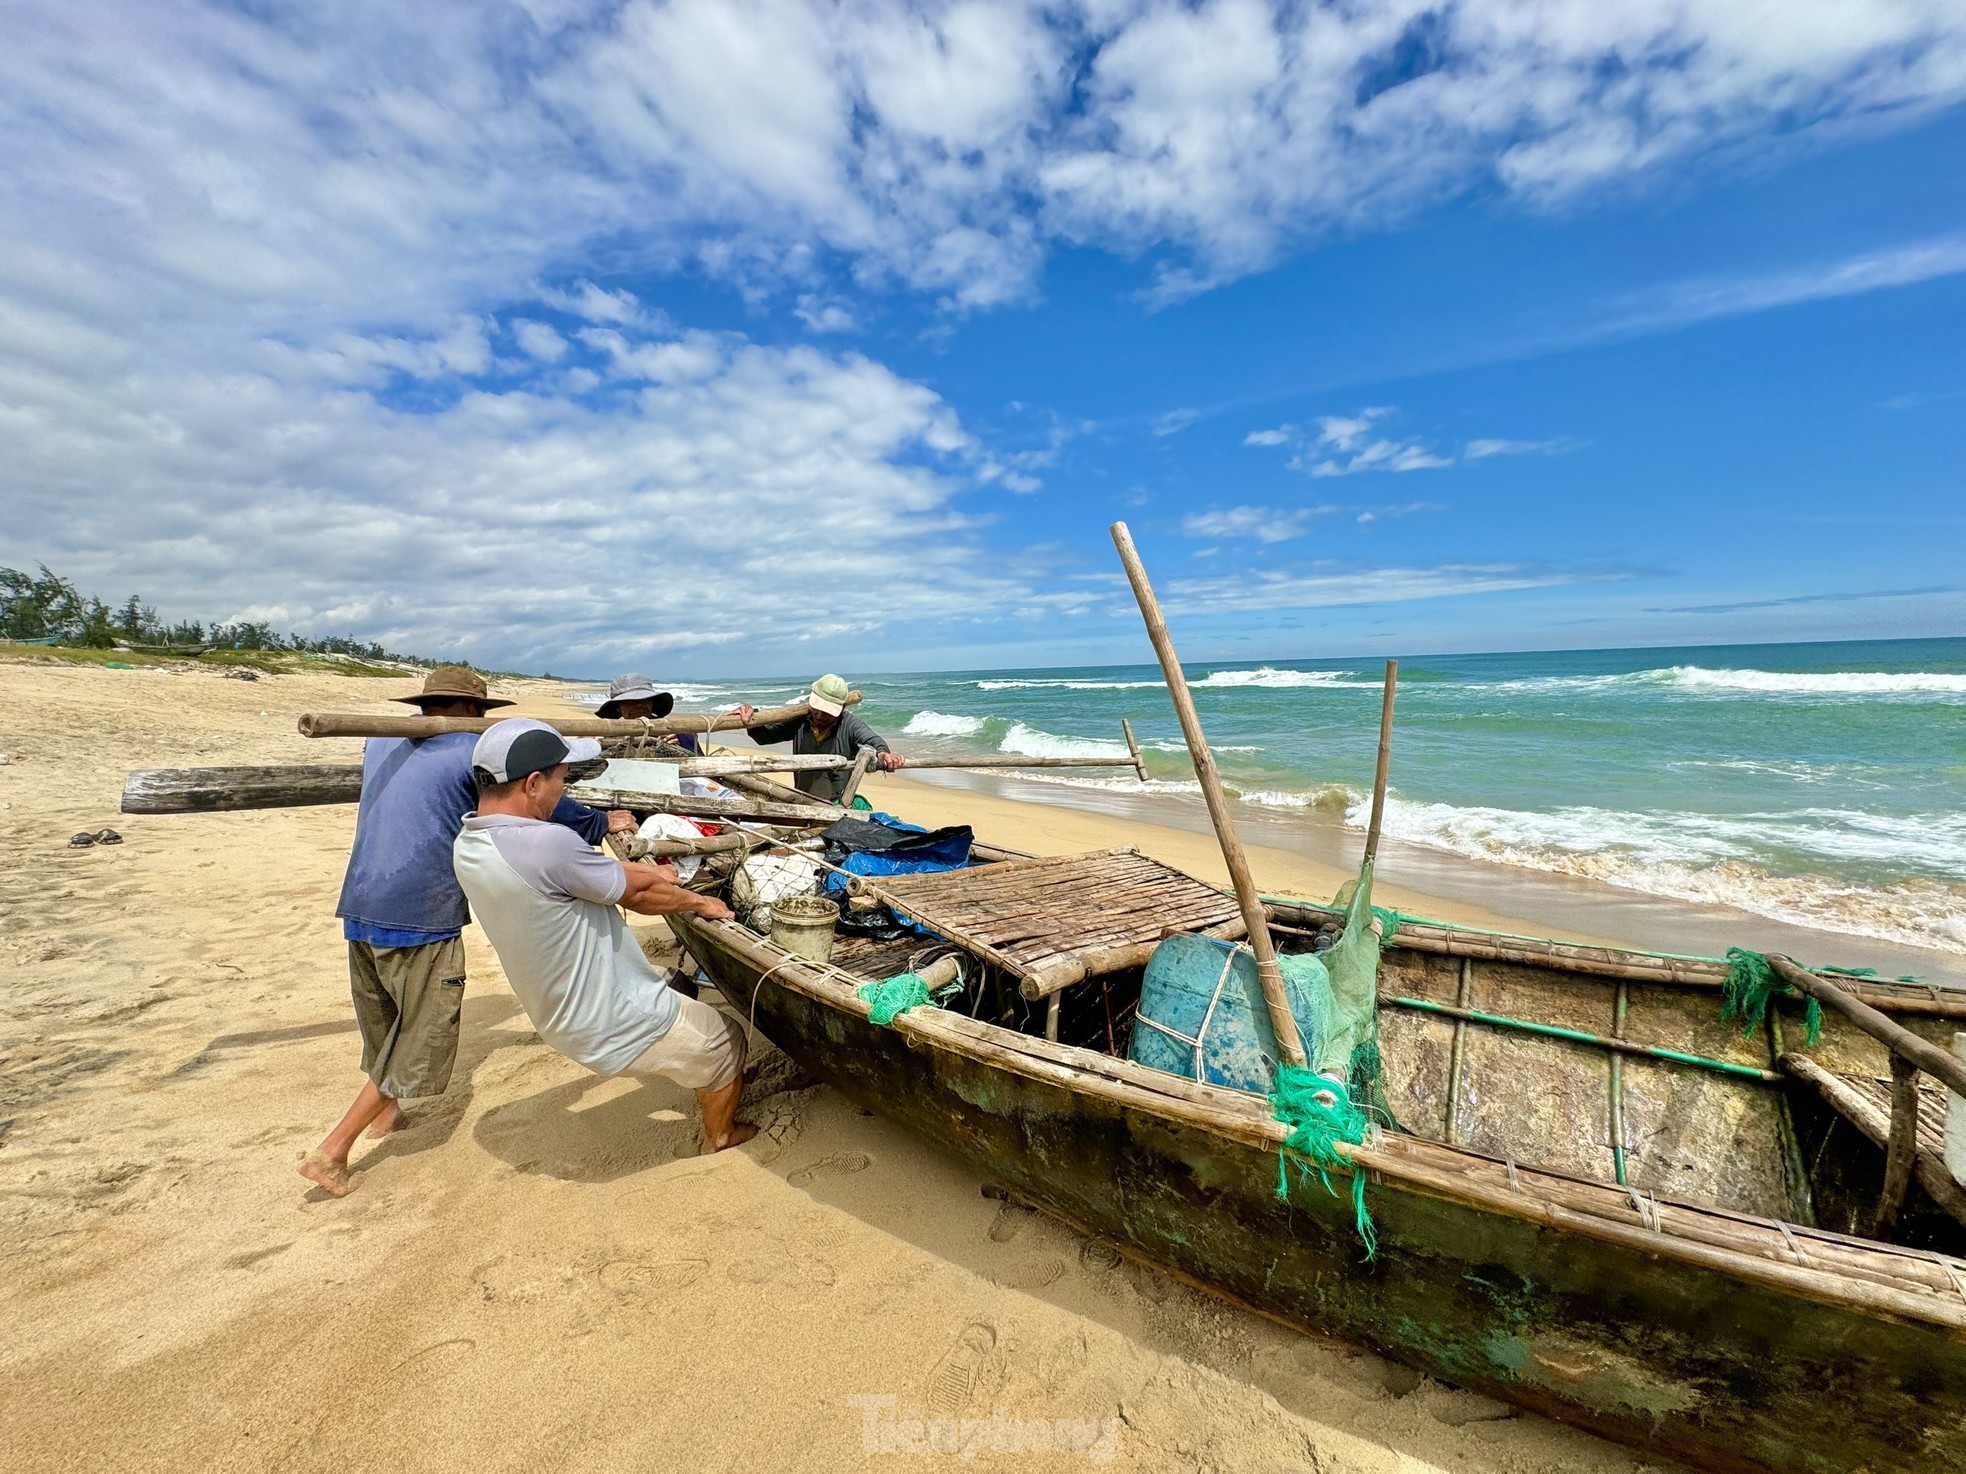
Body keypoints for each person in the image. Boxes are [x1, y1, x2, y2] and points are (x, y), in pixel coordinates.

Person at [298, 667, 636, 1198]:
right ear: (468, 712)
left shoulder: (380, 740)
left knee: (385, 1018)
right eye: (478, 715)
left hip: (362, 897)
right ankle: (333, 1150)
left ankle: (386, 1116)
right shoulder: (467, 752)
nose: (480, 724)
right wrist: (599, 823)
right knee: (419, 1033)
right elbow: (532, 800)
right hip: (419, 909)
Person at [451, 719, 756, 1153]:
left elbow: (596, 875)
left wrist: (647, 870)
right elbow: (640, 895)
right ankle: (719, 1138)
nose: (565, 790)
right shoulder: (547, 843)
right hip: (608, 1014)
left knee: (678, 986)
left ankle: (695, 1069)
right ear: (534, 783)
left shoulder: (471, 842)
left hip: (557, 1009)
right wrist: (701, 903)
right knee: (727, 1041)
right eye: (563, 778)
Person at [734, 674, 904, 803]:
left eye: (827, 712)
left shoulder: (849, 725)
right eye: (817, 708)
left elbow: (873, 740)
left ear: (842, 707)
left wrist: (883, 754)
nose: (819, 715)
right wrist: (751, 716)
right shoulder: (800, 721)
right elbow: (765, 736)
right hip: (802, 799)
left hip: (836, 805)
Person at [594, 672, 701, 755]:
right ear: (618, 708)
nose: (639, 705)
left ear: (652, 703)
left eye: (645, 699)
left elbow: (706, 773)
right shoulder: (612, 737)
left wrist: (678, 747)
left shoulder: (679, 733)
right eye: (629, 701)